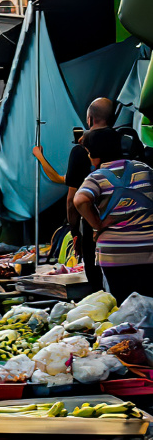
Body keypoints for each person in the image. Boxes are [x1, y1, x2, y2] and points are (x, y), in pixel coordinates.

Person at [33, 96, 115, 291]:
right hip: (132, 228)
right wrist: (41, 158)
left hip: (95, 229)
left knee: (99, 286)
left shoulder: (81, 151)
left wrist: (75, 232)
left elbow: (73, 199)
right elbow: (63, 179)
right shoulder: (123, 145)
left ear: (89, 119)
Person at [74, 127, 153, 304]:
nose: (88, 156)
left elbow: (80, 200)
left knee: (123, 309)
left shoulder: (96, 177)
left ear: (96, 153)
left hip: (115, 254)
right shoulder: (144, 169)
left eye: (88, 152)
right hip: (148, 250)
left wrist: (97, 225)